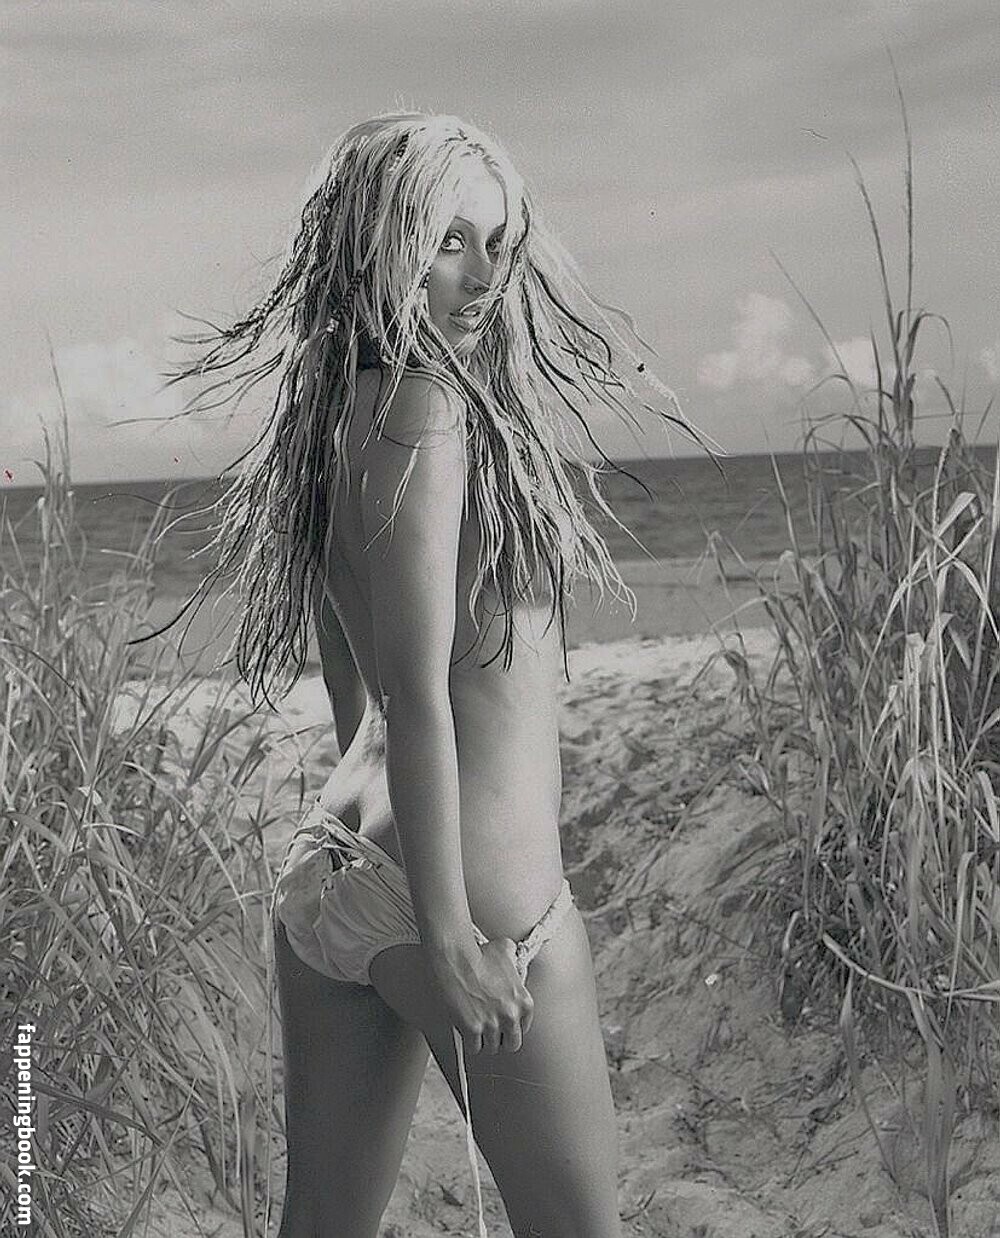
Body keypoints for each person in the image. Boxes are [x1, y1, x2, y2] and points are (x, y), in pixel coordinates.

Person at [173, 112, 707, 1238]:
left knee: (322, 1224)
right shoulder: (429, 408)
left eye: (497, 244)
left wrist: (394, 873)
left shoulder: (335, 413)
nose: (481, 276)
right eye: (448, 241)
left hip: (334, 864)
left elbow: (350, 659)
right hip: (467, 902)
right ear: (381, 244)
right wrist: (450, 936)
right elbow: (415, 689)